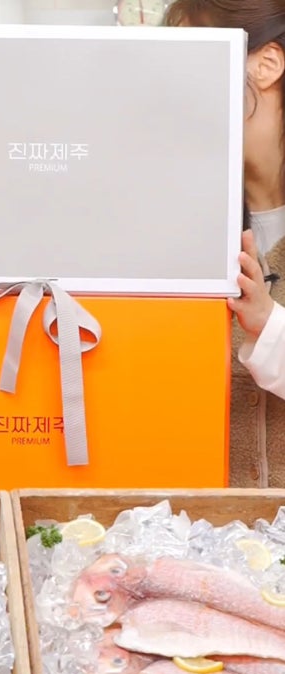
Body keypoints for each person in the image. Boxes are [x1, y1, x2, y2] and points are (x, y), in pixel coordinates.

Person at [166, 0, 285, 486]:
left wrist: (268, 324)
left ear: (267, 64)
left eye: (198, 60)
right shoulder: (181, 220)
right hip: (206, 523)